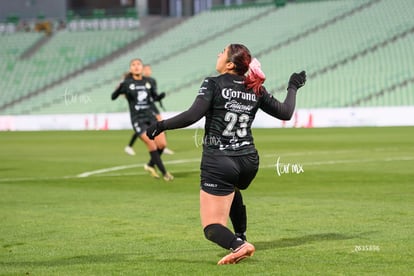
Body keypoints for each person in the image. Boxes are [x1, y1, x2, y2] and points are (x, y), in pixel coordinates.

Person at [146, 44, 306, 264]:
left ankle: (239, 245)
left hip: (219, 161)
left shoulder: (213, 83)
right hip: (249, 162)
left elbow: (194, 115)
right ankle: (240, 234)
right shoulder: (255, 87)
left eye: (222, 52)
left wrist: (160, 125)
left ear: (230, 64)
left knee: (211, 227)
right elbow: (286, 113)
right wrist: (293, 86)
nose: (218, 54)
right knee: (232, 189)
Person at [111, 58, 174, 181]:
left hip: (151, 116)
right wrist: (119, 88)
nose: (136, 66)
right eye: (133, 65)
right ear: (130, 68)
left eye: (138, 64)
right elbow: (113, 97)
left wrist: (159, 96)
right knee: (151, 143)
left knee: (162, 144)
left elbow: (153, 98)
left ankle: (150, 165)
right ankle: (165, 173)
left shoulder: (149, 81)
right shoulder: (127, 83)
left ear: (142, 67)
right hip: (138, 119)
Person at [124, 64, 175, 156]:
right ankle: (130, 146)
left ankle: (161, 145)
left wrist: (159, 98)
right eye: (145, 69)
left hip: (152, 106)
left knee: (159, 124)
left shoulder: (152, 81)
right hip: (145, 108)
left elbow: (154, 95)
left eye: (149, 70)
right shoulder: (139, 82)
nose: (147, 71)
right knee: (149, 126)